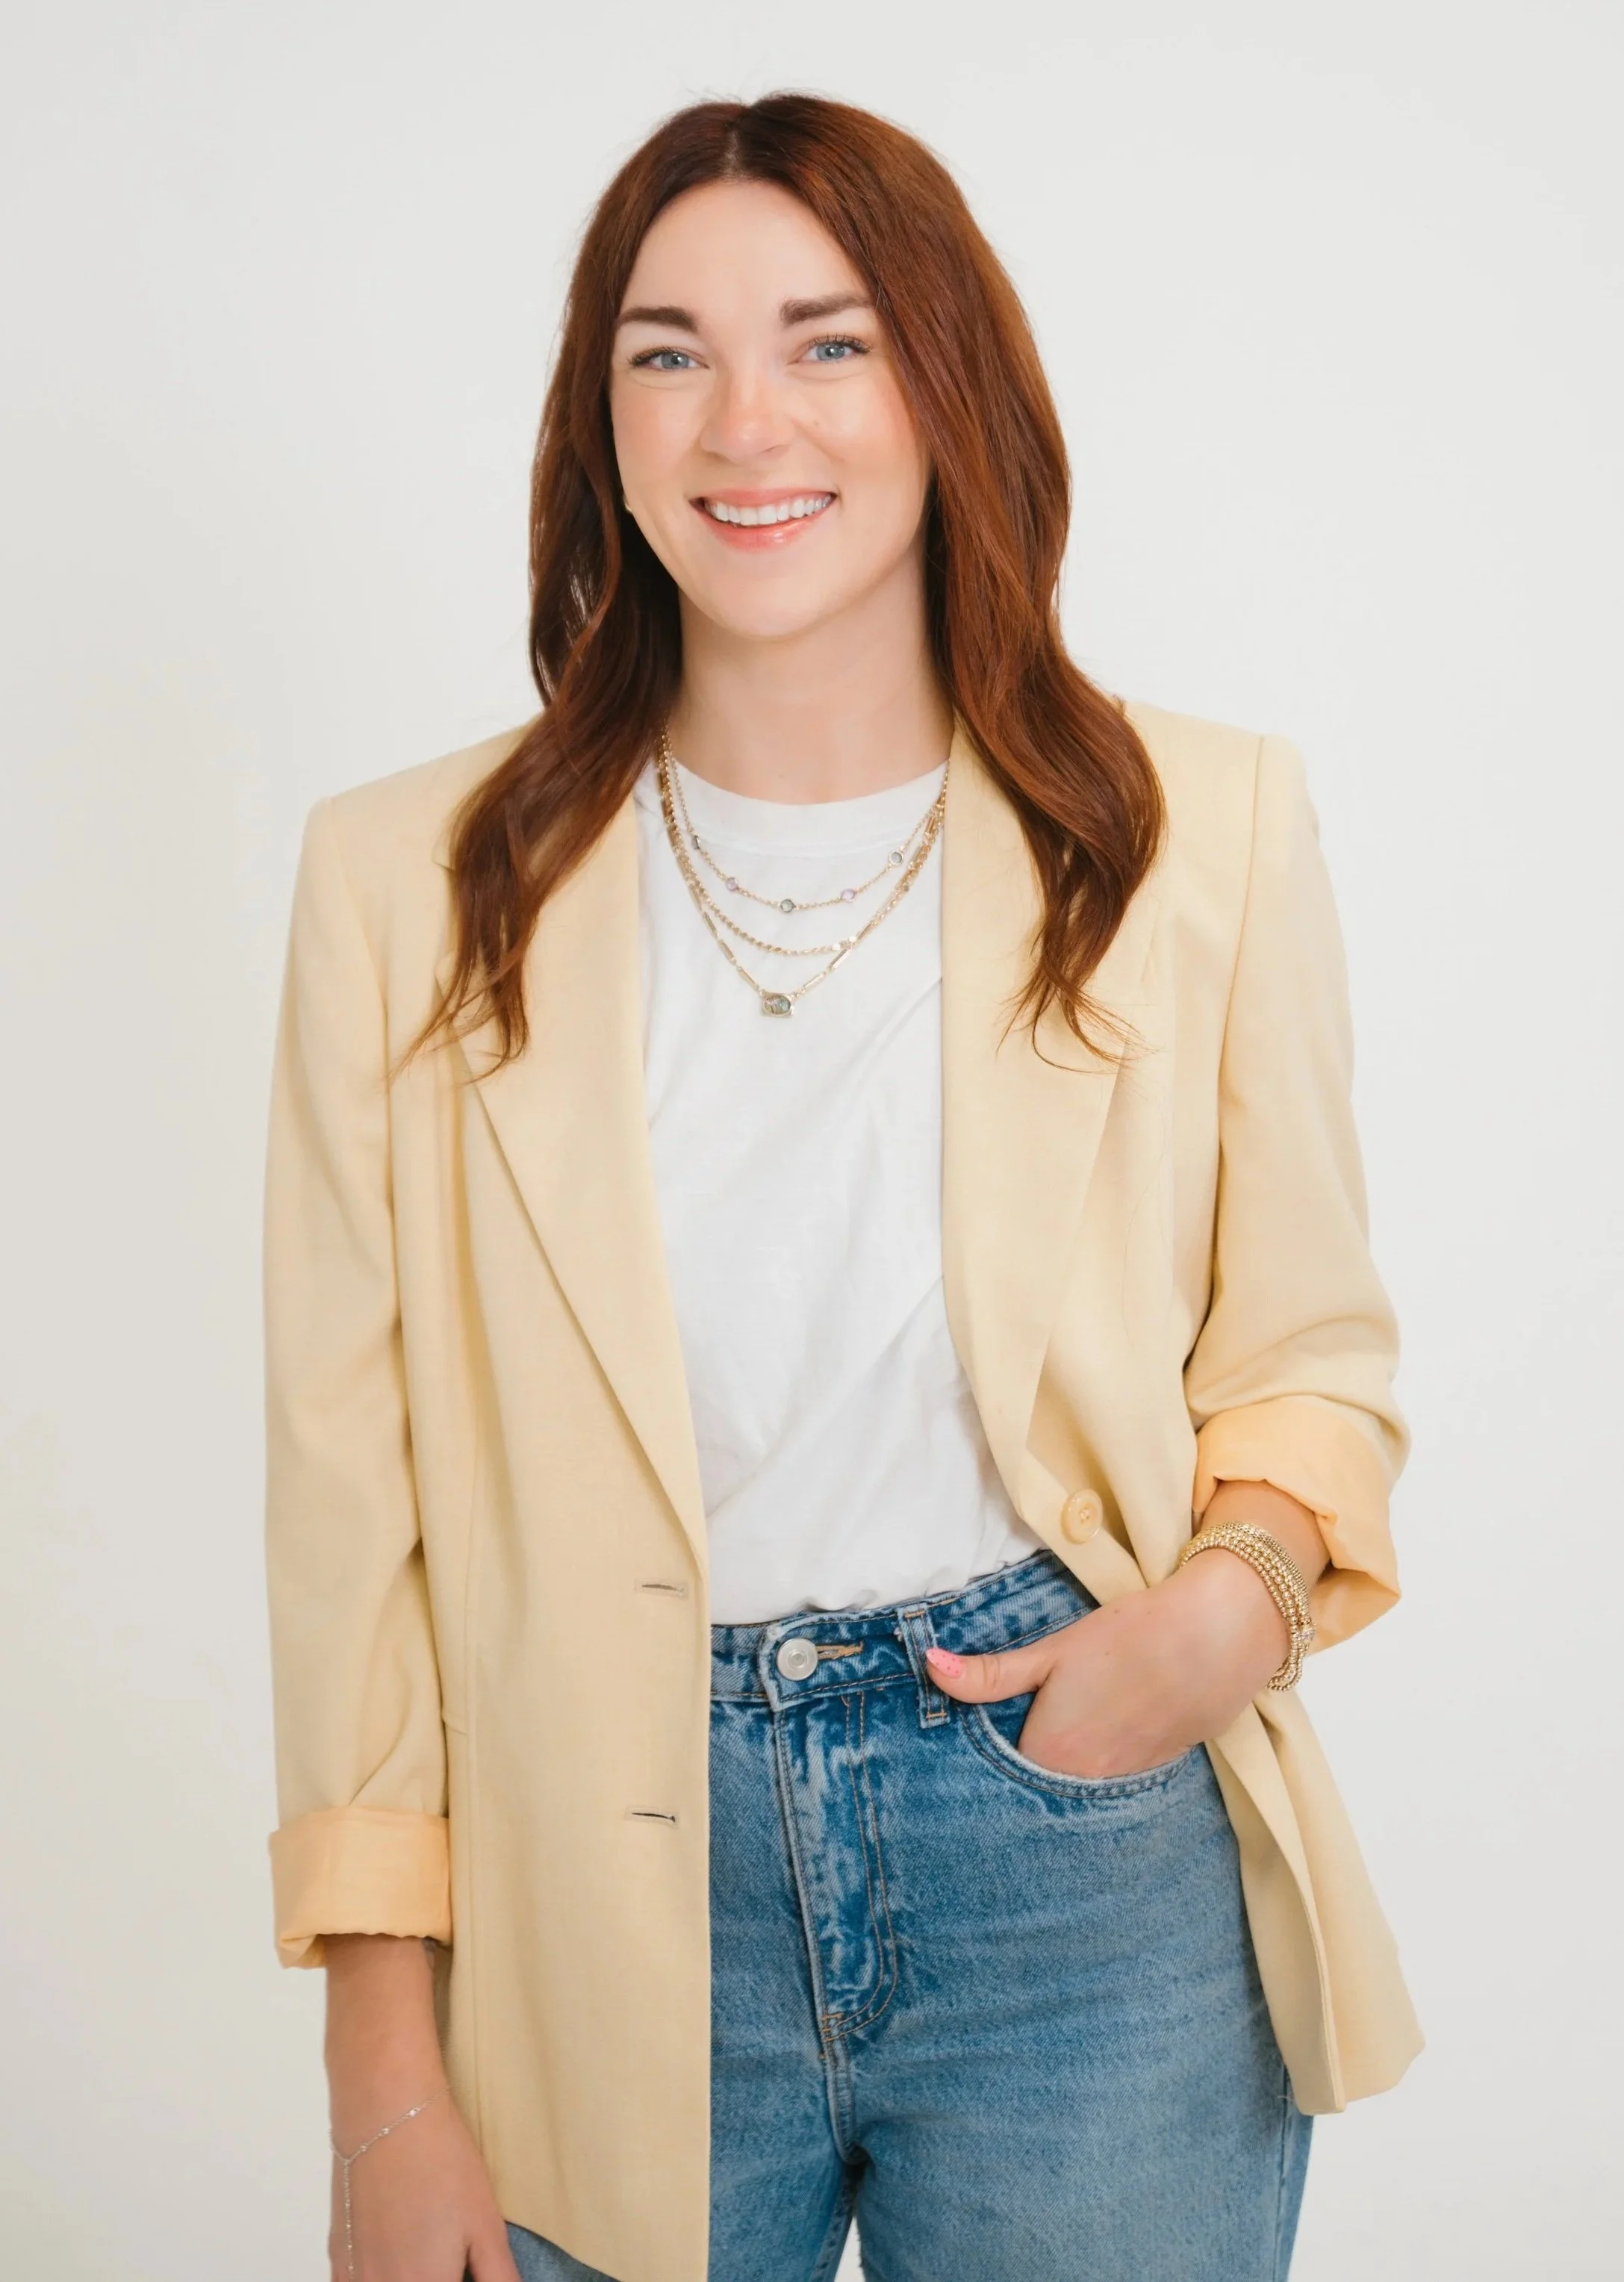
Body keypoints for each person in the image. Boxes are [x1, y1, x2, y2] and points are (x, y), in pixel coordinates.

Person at [263, 92, 1419, 2282]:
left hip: (1076, 1857)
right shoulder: (403, 885)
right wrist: (384, 2101)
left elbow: (1308, 1358)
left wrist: (1217, 1614)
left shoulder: (1200, 832)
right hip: (593, 1896)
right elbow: (353, 1536)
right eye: (665, 350)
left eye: (826, 339)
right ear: (599, 421)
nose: (742, 420)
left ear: (943, 383)